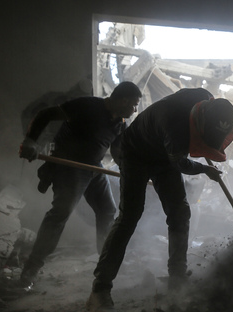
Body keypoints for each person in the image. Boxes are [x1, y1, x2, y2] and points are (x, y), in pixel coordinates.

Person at [85, 88, 233, 312]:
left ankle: (177, 281)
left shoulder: (205, 100)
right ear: (198, 123)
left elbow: (177, 156)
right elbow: (181, 164)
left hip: (163, 154)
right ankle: (100, 290)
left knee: (180, 212)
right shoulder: (174, 123)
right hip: (136, 153)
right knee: (130, 216)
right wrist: (206, 169)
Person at [18, 81, 142, 290]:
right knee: (60, 213)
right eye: (134, 105)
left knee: (107, 210)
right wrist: (30, 141)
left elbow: (118, 152)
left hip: (94, 168)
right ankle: (30, 270)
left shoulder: (120, 122)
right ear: (124, 100)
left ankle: (105, 264)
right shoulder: (87, 106)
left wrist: (130, 170)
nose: (135, 110)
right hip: (69, 168)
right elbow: (46, 114)